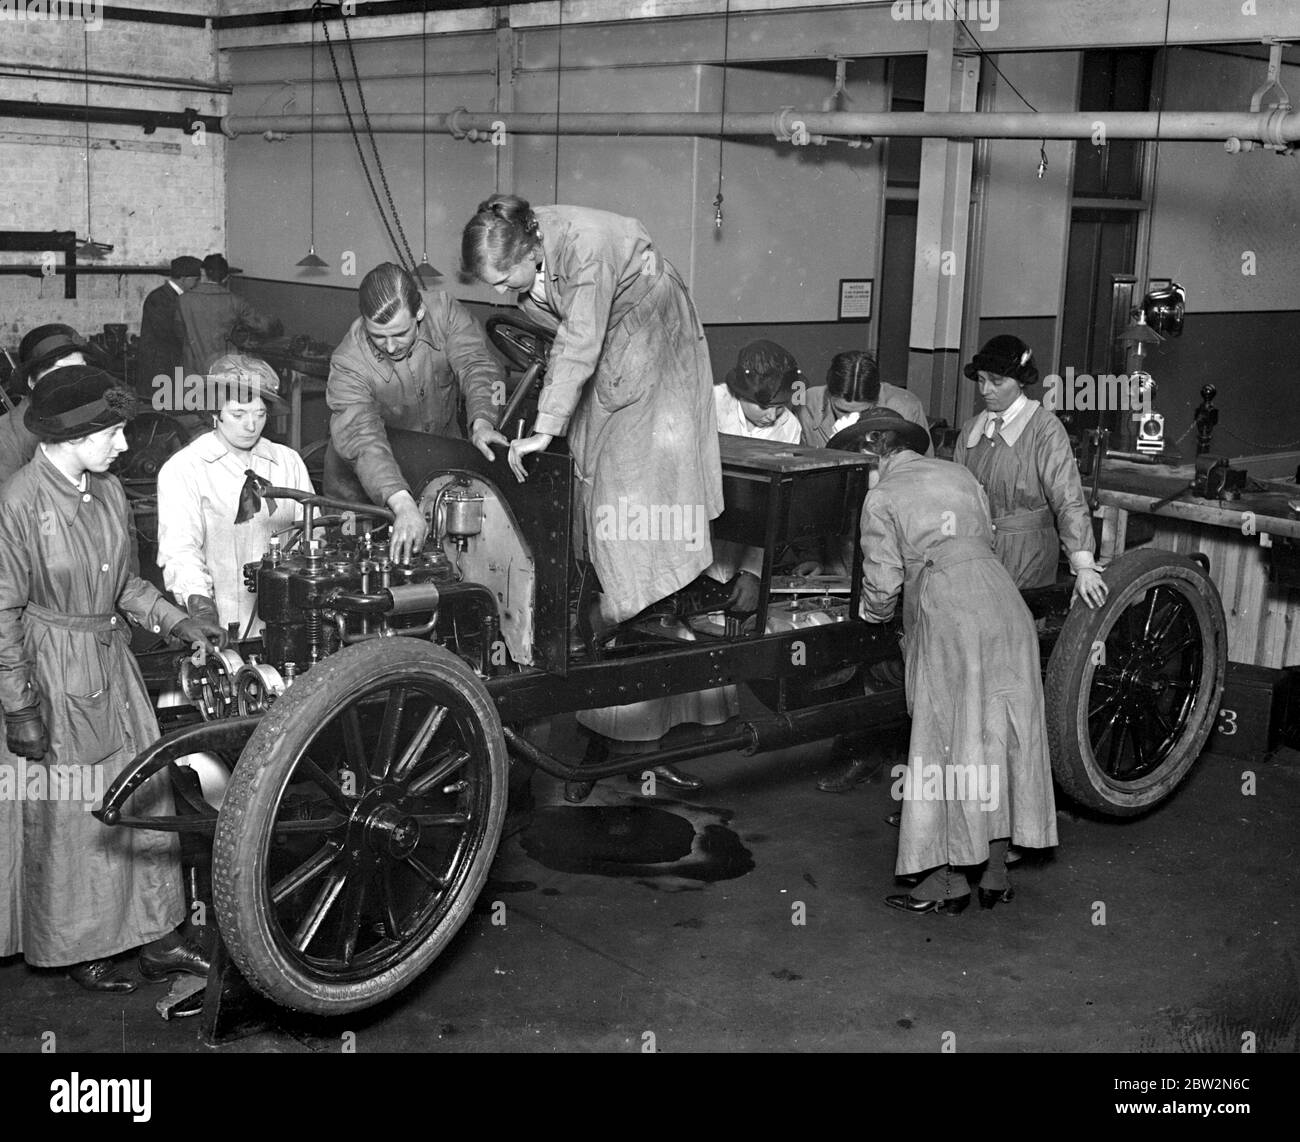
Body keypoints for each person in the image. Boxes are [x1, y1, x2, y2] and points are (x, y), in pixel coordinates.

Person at [461, 195, 724, 794]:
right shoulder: (532, 264)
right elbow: (563, 336)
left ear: (529, 251)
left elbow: (581, 338)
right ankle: (614, 593)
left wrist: (546, 426)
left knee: (632, 479)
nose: (503, 292)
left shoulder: (583, 246)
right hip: (611, 348)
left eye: (505, 279)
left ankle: (642, 594)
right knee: (588, 471)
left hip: (653, 336)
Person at [0, 365, 225, 992]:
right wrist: (20, 706)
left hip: (110, 666)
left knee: (143, 797)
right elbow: (2, 610)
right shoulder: (20, 501)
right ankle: (81, 947)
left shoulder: (107, 490)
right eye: (113, 434)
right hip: (52, 672)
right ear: (74, 436)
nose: (124, 445)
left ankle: (157, 938)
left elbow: (122, 582)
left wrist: (178, 623)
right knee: (75, 814)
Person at [843, 408, 1057, 914]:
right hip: (1005, 603)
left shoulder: (882, 496)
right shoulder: (961, 474)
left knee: (946, 741)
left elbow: (885, 583)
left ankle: (944, 883)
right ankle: (996, 875)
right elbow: (988, 539)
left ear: (874, 453)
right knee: (1000, 738)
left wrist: (869, 617)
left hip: (951, 614)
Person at [325, 261, 507, 564]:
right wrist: (403, 505)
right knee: (364, 573)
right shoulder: (348, 361)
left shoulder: (445, 313)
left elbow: (479, 366)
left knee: (449, 566)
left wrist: (483, 422)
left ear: (419, 313)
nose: (391, 346)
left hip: (437, 461)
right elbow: (363, 438)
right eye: (378, 336)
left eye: (399, 333)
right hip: (362, 482)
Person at [156, 353, 313, 640]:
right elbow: (180, 551)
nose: (251, 426)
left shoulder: (288, 462)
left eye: (260, 414)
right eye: (238, 415)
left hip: (288, 622)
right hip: (219, 624)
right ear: (215, 413)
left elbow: (313, 535)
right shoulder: (184, 469)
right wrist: (202, 609)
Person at [954, 335, 1107, 609]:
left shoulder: (1044, 429)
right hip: (977, 553)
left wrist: (1084, 564)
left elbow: (1068, 499)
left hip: (1028, 555)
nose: (986, 390)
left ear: (1021, 381)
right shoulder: (971, 430)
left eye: (997, 381)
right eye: (980, 380)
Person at [0, 324, 96, 486]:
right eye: (59, 371)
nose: (73, 381)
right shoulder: (5, 440)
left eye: (79, 369)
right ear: (32, 382)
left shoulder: (85, 426)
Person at [797, 349, 933, 455]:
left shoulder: (906, 407)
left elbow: (920, 469)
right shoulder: (808, 403)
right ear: (829, 395)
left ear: (876, 399)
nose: (853, 419)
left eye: (863, 411)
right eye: (843, 411)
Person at [175, 253, 280, 378]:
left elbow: (179, 333)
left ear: (202, 273)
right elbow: (263, 327)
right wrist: (274, 321)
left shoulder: (183, 300)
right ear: (226, 278)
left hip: (191, 372)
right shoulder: (235, 301)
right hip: (223, 372)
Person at [713, 340, 803, 444]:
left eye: (779, 407)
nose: (772, 417)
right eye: (764, 406)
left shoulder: (790, 426)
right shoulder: (712, 405)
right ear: (741, 393)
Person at [137, 256, 202, 395]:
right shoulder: (159, 298)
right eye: (196, 280)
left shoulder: (179, 297)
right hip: (160, 366)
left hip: (171, 363)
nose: (198, 284)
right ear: (184, 279)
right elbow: (167, 333)